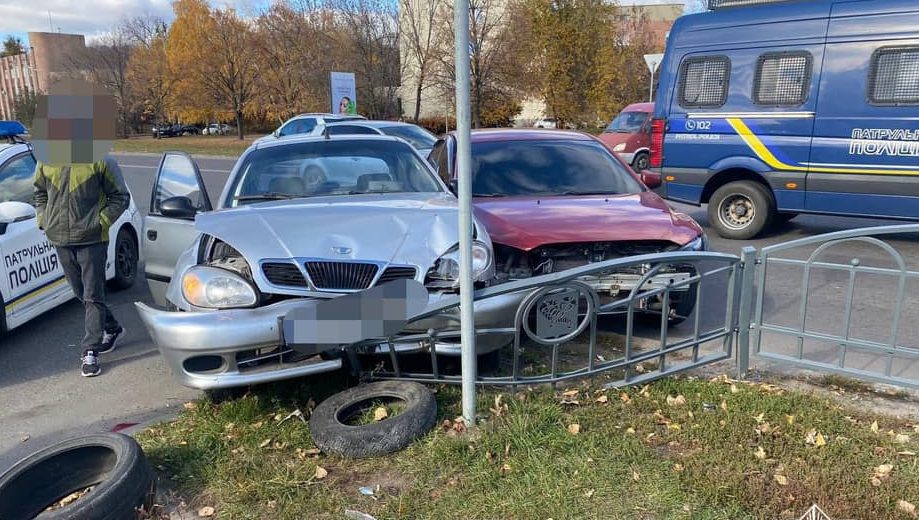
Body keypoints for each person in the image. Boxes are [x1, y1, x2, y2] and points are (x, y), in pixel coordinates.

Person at [31, 78, 130, 378]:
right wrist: (42, 219)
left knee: (92, 296)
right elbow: (39, 193)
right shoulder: (47, 159)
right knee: (82, 294)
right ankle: (113, 328)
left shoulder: (101, 160)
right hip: (59, 237)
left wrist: (100, 222)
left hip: (91, 239)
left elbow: (120, 197)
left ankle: (90, 351)